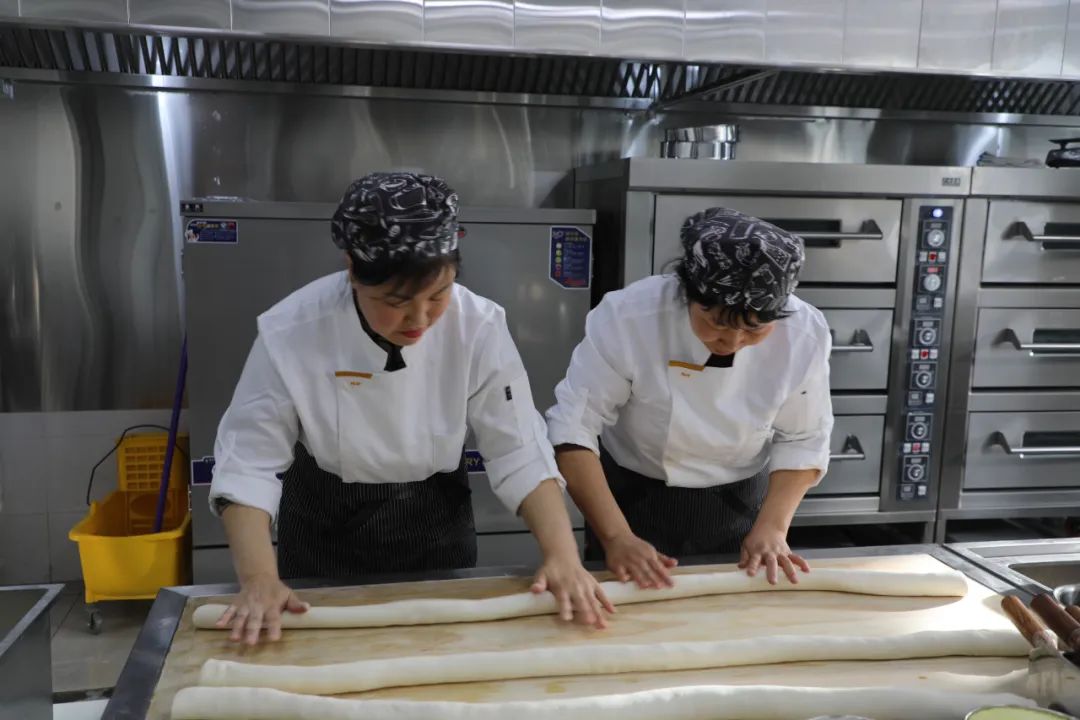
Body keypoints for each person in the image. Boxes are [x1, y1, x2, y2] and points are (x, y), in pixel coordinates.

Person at [209, 172, 612, 645]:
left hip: (434, 519)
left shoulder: (478, 326)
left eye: (438, 295)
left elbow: (518, 446)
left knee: (442, 649)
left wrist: (563, 556)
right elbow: (249, 461)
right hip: (324, 522)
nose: (419, 319)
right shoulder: (293, 330)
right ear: (353, 270)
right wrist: (259, 579)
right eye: (395, 301)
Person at [546, 207, 833, 590]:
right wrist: (616, 537)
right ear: (687, 293)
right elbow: (573, 429)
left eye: (754, 330)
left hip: (738, 501)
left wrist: (773, 527)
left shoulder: (804, 333)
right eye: (716, 324)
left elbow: (804, 437)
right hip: (630, 498)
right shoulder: (630, 317)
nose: (733, 342)